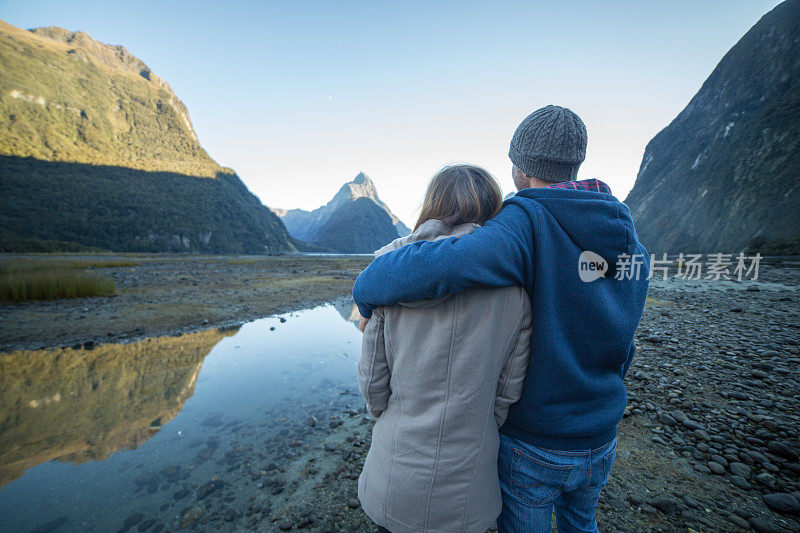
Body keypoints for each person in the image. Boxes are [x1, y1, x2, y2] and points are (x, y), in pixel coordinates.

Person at [354, 105, 650, 532]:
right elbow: (626, 338)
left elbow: (450, 263)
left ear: (521, 166)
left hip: (538, 439)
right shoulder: (627, 234)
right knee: (582, 523)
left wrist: (368, 287)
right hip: (600, 434)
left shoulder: (526, 220)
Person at [356, 164, 533, 533]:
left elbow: (373, 387)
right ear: (492, 210)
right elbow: (507, 392)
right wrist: (476, 422)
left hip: (395, 479)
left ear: (432, 203)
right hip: (469, 486)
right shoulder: (516, 293)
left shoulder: (390, 281)